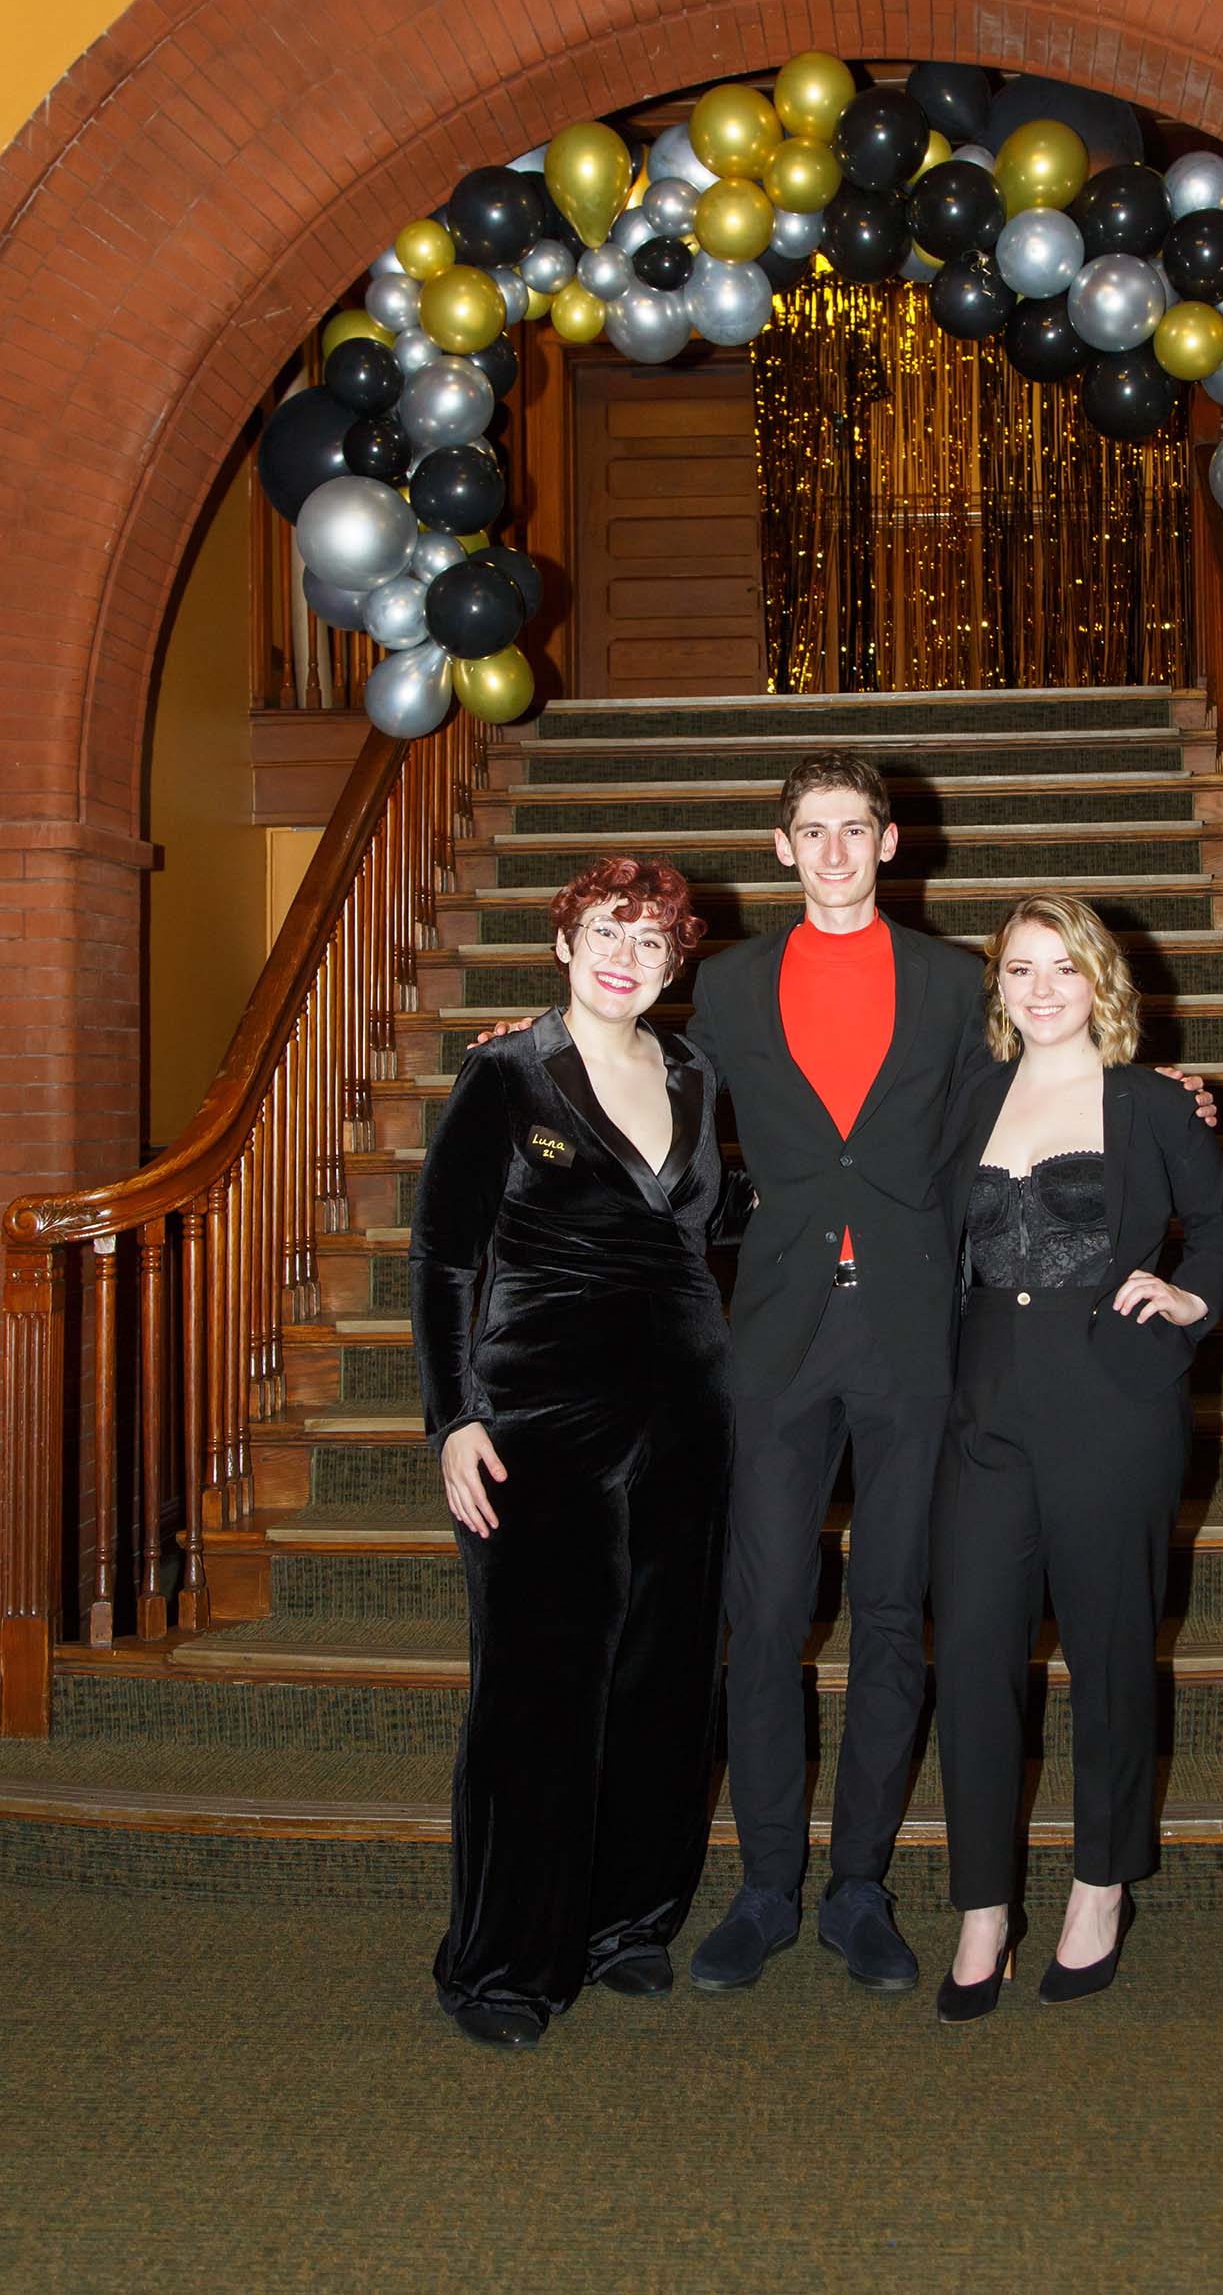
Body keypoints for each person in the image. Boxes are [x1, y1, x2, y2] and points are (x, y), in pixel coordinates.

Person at [482, 752, 1215, 1997]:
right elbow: (628, 1042)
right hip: (771, 1336)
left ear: (888, 845)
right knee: (760, 1619)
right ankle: (765, 1884)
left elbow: (1046, 1075)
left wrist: (1165, 1096)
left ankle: (858, 1887)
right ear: (780, 849)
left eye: (851, 830)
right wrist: (532, 1039)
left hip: (919, 1340)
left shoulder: (950, 983)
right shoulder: (724, 982)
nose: (830, 851)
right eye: (807, 831)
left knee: (887, 1614)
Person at [410, 853, 741, 2047]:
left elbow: (714, 1224)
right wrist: (453, 1420)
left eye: (652, 942)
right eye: (607, 930)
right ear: (561, 943)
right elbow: (445, 1262)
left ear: (671, 965)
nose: (625, 956)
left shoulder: (698, 1072)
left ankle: (625, 1919)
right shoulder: (505, 1071)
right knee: (536, 1686)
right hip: (537, 1417)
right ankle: (502, 1965)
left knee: (663, 1671)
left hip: (691, 1414)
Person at [929, 893, 1223, 2024]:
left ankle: (1099, 1885)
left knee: (1109, 1650)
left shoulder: (1147, 1103)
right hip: (981, 1403)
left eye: (1063, 966)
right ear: (1000, 989)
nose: (1042, 987)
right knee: (969, 1652)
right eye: (1020, 969)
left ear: (1098, 981)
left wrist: (1189, 1293)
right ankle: (980, 1906)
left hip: (1110, 1398)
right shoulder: (967, 1095)